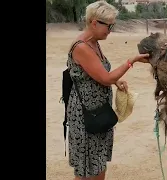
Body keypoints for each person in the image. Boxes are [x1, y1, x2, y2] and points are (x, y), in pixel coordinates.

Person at [66, 1, 149, 180]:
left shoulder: (94, 42)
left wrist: (116, 81)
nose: (110, 30)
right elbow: (105, 78)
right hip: (85, 115)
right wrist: (130, 61)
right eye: (109, 26)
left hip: (98, 111)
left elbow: (96, 74)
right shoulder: (81, 47)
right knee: (87, 169)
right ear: (94, 23)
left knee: (98, 163)